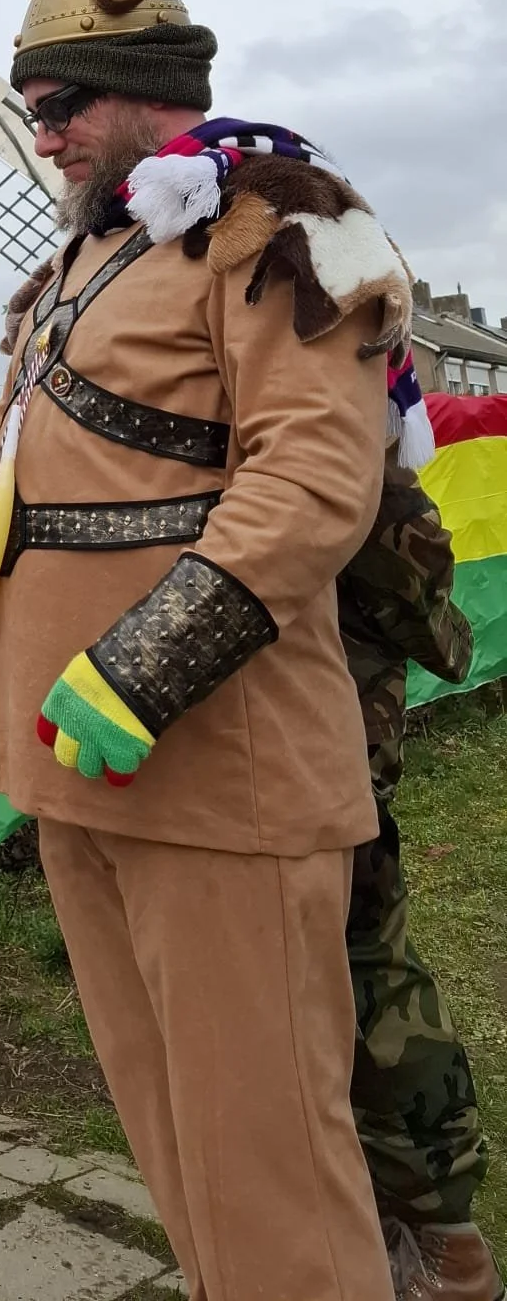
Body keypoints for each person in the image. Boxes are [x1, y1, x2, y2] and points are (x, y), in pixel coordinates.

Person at [0, 0, 417, 1301]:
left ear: (153, 93)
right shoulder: (77, 264)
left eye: (67, 96)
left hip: (213, 765)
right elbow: (52, 494)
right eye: (32, 100)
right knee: (167, 1129)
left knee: (265, 1151)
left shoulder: (270, 225)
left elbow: (313, 477)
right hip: (68, 757)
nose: (43, 127)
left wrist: (143, 669)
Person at [339, 471, 501, 1300]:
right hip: (324, 779)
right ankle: (397, 1222)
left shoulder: (354, 488)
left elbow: (447, 641)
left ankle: (447, 1247)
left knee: (372, 996)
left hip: (333, 787)